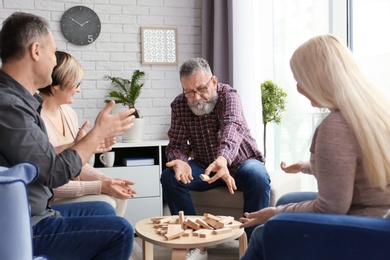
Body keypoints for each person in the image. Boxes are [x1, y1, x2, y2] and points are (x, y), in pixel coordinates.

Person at [239, 34, 390, 260]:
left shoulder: (337, 126)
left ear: (317, 79)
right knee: (284, 202)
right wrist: (305, 166)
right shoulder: (372, 111)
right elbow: (357, 168)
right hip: (380, 218)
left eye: (299, 78)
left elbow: (330, 208)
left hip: (366, 230)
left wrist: (276, 214)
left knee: (265, 232)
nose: (298, 87)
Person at [0, 12, 136, 259]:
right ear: (36, 51)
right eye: (53, 52)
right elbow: (53, 173)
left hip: (39, 213)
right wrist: (96, 135)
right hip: (24, 226)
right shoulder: (9, 106)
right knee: (121, 231)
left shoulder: (21, 102)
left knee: (105, 211)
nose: (54, 62)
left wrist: (85, 142)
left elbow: (42, 160)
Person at [160, 57, 270, 259]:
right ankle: (197, 242)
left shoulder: (230, 96)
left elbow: (232, 127)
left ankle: (254, 246)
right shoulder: (179, 105)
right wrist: (181, 161)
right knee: (169, 177)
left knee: (257, 175)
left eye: (201, 89)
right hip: (204, 167)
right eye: (190, 92)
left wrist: (223, 159)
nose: (197, 97)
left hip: (241, 162)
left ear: (214, 82)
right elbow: (176, 144)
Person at [40, 50, 136, 217]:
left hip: (70, 187)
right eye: (76, 84)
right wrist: (101, 185)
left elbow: (75, 164)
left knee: (118, 196)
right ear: (56, 85)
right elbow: (48, 183)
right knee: (107, 201)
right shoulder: (36, 119)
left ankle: (107, 241)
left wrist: (109, 181)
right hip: (50, 197)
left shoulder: (69, 113)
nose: (78, 89)